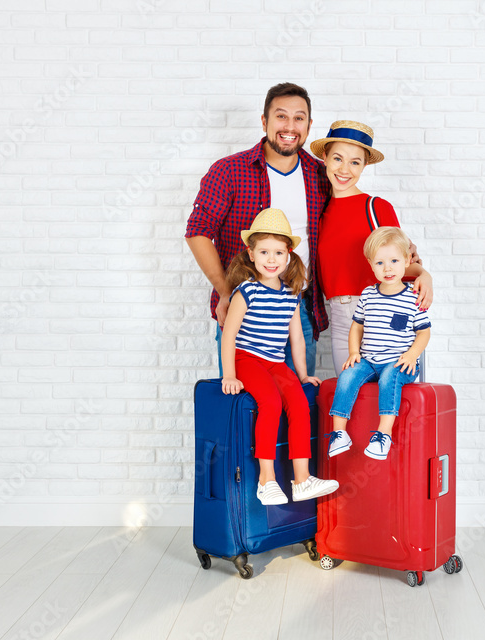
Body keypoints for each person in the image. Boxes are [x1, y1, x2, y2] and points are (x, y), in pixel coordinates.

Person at [185, 82, 329, 377]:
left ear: (309, 125)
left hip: (297, 309)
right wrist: (227, 293)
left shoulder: (320, 175)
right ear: (264, 121)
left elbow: (349, 219)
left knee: (298, 404)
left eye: (299, 118)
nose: (290, 126)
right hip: (245, 309)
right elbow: (198, 231)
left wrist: (404, 250)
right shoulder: (229, 171)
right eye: (281, 116)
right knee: (245, 405)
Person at [220, 208, 338, 505]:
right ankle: (266, 479)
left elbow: (296, 337)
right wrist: (229, 374)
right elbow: (229, 336)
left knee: (298, 402)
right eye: (264, 252)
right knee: (270, 403)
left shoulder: (291, 293)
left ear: (289, 255)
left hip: (274, 361)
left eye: (278, 252)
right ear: (251, 254)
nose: (271, 260)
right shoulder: (246, 292)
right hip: (247, 359)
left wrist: (301, 374)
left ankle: (302, 480)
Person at [310, 120, 434, 376]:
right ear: (324, 158)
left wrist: (424, 274)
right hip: (341, 318)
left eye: (355, 162)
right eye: (337, 158)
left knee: (389, 397)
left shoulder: (376, 208)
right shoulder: (319, 215)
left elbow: (400, 264)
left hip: (382, 311)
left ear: (364, 165)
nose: (345, 169)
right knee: (352, 399)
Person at [325, 227, 431, 461]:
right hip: (369, 360)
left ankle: (383, 434)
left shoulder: (413, 297)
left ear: (406, 260)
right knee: (348, 375)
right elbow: (357, 326)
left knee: (389, 377)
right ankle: (339, 432)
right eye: (380, 263)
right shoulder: (368, 295)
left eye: (394, 260)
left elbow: (424, 332)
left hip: (399, 362)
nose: (388, 268)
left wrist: (413, 354)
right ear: (371, 265)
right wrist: (354, 352)